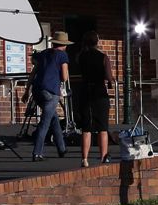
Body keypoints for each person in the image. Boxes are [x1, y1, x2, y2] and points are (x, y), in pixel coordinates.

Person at [73, 31, 114, 167]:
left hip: (85, 91)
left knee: (86, 128)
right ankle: (103, 157)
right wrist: (110, 80)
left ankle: (84, 159)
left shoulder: (80, 56)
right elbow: (108, 76)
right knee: (103, 127)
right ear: (97, 42)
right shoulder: (103, 57)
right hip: (99, 92)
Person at [29, 31, 71, 161]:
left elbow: (33, 72)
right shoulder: (62, 55)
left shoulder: (44, 53)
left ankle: (62, 148)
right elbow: (64, 77)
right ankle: (37, 152)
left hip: (37, 90)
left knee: (54, 119)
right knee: (45, 123)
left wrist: (26, 90)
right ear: (64, 45)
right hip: (51, 91)